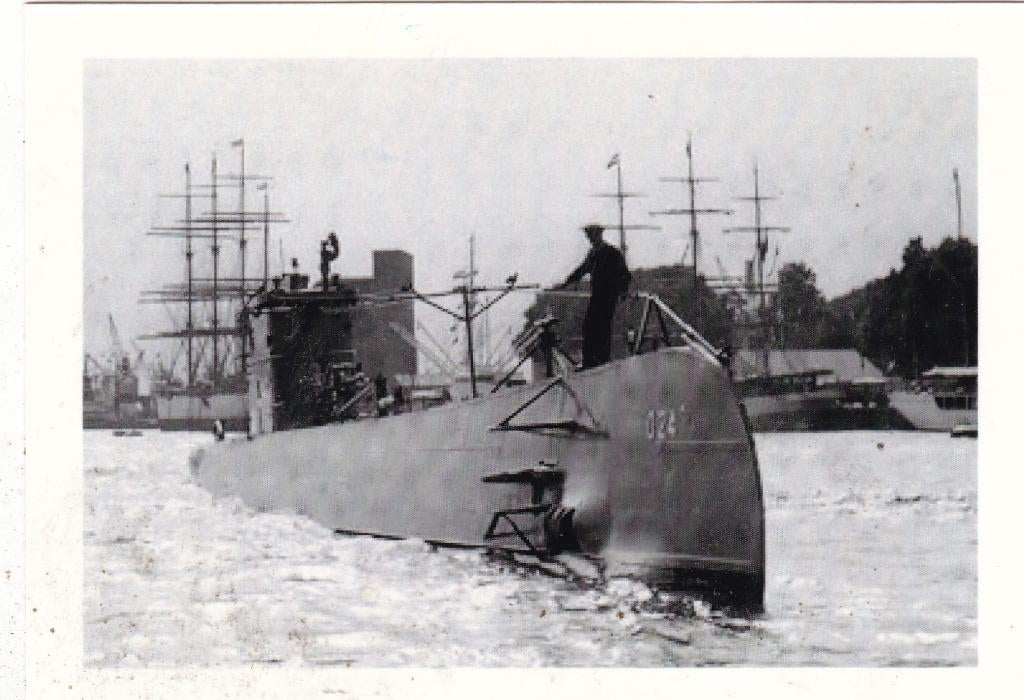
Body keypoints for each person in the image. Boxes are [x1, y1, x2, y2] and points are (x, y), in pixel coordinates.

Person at [556, 224, 632, 369]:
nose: (590, 239)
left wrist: (623, 291)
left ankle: (601, 360)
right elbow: (582, 270)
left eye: (592, 235)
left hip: (608, 295)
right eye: (589, 236)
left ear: (599, 235)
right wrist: (567, 282)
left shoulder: (611, 252)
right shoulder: (593, 253)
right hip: (597, 295)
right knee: (589, 327)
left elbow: (625, 274)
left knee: (602, 328)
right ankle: (590, 361)